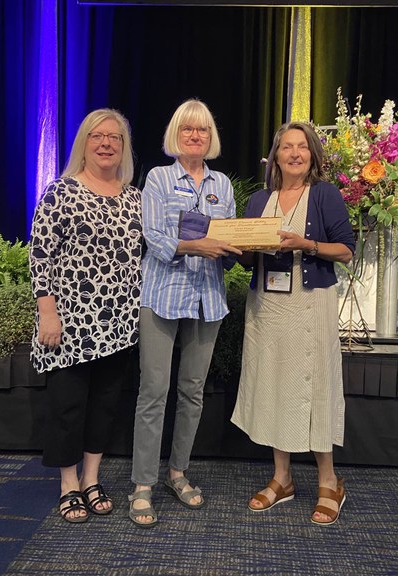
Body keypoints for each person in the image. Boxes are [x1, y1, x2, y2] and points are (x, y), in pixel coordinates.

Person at [231, 121, 355, 526]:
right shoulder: (258, 200)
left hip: (310, 304)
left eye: (303, 147)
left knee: (315, 386)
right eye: (287, 147)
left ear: (312, 154)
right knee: (274, 387)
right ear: (276, 155)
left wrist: (308, 245)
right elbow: (248, 258)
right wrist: (240, 248)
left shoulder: (324, 195)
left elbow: (346, 251)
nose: (295, 153)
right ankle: (282, 479)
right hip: (267, 306)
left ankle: (329, 481)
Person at [129, 99, 242, 528]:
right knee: (154, 391)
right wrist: (201, 245)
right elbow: (155, 238)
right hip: (161, 295)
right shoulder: (158, 178)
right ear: (175, 135)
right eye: (187, 130)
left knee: (193, 392)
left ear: (210, 138)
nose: (195, 136)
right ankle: (143, 483)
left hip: (207, 299)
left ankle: (177, 472)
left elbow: (228, 237)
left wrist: (237, 248)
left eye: (203, 131)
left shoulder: (222, 185)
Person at [29, 108, 142, 523]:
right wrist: (47, 312)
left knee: (104, 407)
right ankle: (68, 485)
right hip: (70, 323)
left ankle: (92, 479)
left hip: (120, 323)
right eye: (98, 136)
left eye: (115, 137)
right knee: (67, 407)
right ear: (85, 143)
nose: (106, 143)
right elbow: (40, 256)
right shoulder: (61, 192)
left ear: (123, 147)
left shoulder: (134, 198)